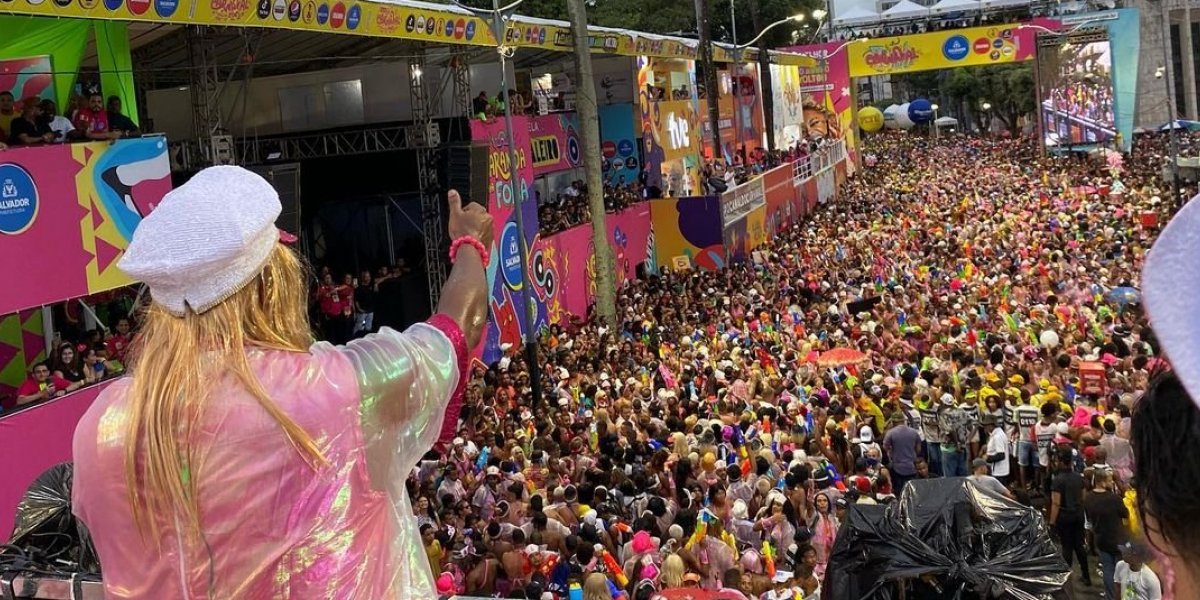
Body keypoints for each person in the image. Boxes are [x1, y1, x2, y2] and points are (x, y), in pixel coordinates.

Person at [71, 168, 491, 599]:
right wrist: (470, 245)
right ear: (270, 283)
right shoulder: (333, 389)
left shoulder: (102, 425)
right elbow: (457, 331)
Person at [1083, 469, 1127, 600]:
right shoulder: (1114, 499)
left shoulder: (1088, 498)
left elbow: (1089, 520)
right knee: (1122, 571)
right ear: (1102, 482)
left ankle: (1111, 597)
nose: (1112, 482)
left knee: (1108, 570)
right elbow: (1125, 514)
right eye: (1109, 480)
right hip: (1118, 539)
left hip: (1101, 539)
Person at [1050, 446, 1090, 587]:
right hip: (1078, 514)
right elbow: (1084, 497)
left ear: (1060, 461)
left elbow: (1056, 503)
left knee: (1067, 547)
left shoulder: (1057, 480)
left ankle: (1066, 579)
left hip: (1065, 516)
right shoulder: (1078, 477)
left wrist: (1052, 523)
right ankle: (1086, 576)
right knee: (1079, 545)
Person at [883, 410, 921, 493]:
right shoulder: (914, 432)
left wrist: (891, 453)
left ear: (893, 421)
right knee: (912, 491)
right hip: (912, 466)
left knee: (900, 492)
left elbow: (885, 448)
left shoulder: (890, 433)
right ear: (904, 420)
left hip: (897, 467)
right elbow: (918, 450)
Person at [981, 413, 1010, 483]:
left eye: (986, 425)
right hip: (998, 471)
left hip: (999, 472)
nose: (984, 427)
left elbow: (1001, 455)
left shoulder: (998, 436)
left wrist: (987, 458)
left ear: (991, 425)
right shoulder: (995, 434)